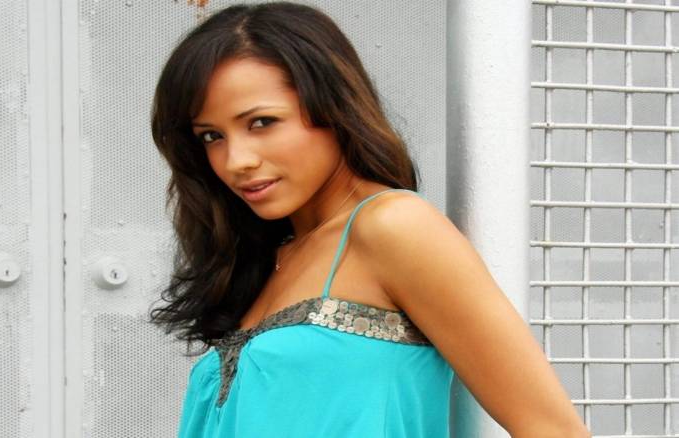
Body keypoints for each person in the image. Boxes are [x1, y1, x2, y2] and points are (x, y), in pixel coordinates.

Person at [148, 2, 591, 437]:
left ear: (332, 107)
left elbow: (552, 429)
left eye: (262, 122)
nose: (236, 161)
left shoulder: (393, 226)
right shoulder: (265, 258)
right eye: (212, 136)